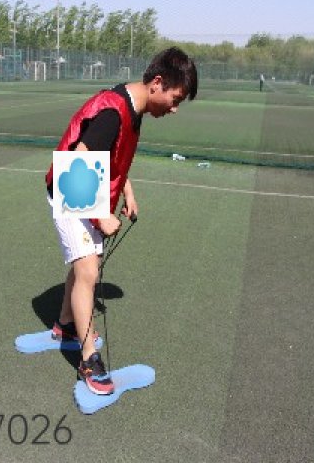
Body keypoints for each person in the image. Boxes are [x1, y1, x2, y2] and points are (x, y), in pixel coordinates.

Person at [44, 47, 198, 395]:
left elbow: (113, 156)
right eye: (175, 99)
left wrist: (128, 191)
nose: (174, 108)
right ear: (157, 83)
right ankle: (88, 359)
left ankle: (65, 325)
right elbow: (79, 159)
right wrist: (100, 215)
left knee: (85, 265)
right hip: (69, 187)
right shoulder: (114, 112)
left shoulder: (134, 107)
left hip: (87, 187)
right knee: (88, 270)